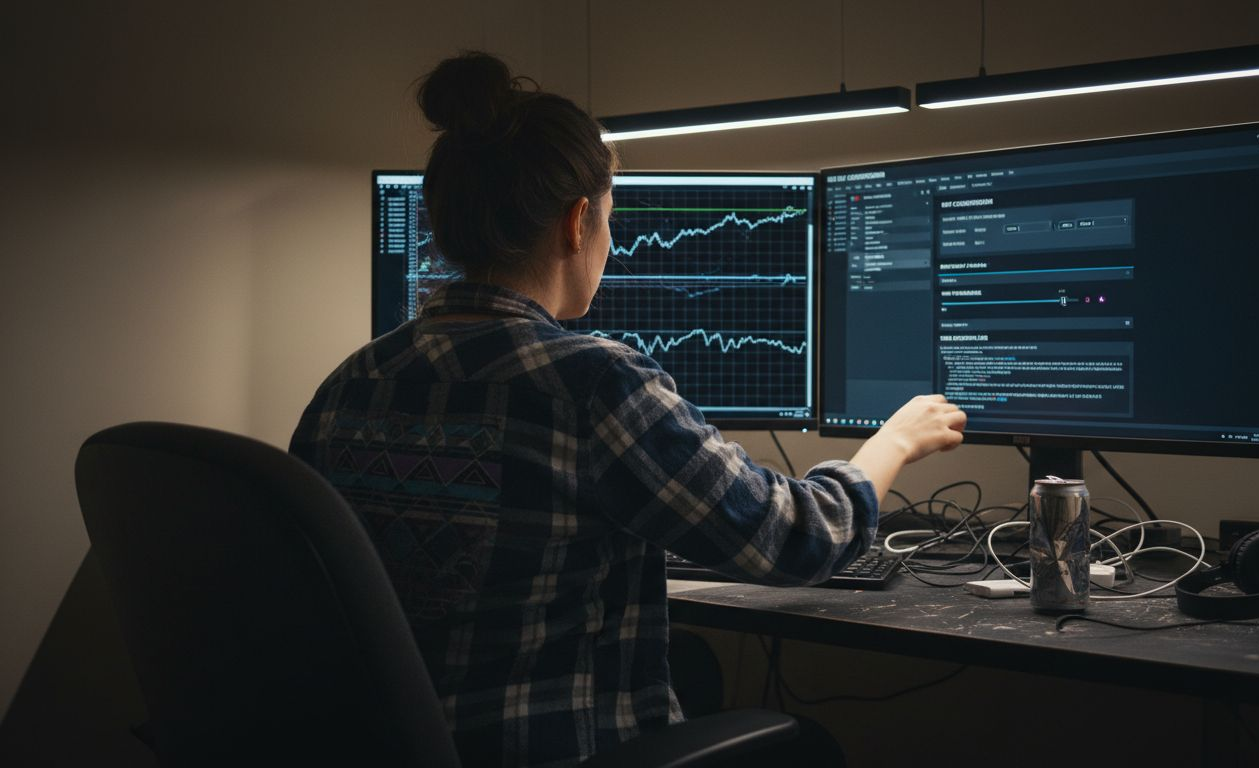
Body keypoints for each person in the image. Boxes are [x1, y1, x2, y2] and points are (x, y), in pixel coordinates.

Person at [290, 51, 966, 767]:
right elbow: (794, 541)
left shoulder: (347, 385)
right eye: (611, 221)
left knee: (696, 664)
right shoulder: (590, 383)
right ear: (576, 222)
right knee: (808, 750)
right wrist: (892, 442)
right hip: (545, 748)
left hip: (404, 744)